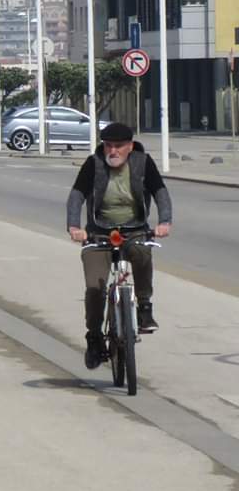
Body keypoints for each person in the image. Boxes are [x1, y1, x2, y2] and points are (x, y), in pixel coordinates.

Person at [66, 122, 172, 369]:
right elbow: (76, 196)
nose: (112, 151)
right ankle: (94, 337)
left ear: (130, 146)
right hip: (98, 234)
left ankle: (144, 307)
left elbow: (160, 193)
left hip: (135, 229)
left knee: (143, 253)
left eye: (118, 146)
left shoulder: (143, 162)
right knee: (95, 287)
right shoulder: (94, 164)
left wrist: (164, 221)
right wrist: (74, 227)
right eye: (108, 146)